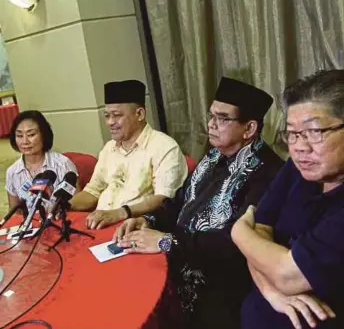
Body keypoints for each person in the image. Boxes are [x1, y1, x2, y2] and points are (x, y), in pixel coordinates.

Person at [115, 77, 284, 328]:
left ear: (249, 129)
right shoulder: (214, 156)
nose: (211, 124)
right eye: (211, 115)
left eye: (222, 118)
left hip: (222, 284)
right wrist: (147, 220)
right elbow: (180, 202)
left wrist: (166, 241)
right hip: (180, 256)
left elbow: (236, 244)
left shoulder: (268, 173)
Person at [231, 69, 344, 329]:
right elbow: (260, 230)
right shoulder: (298, 168)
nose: (299, 147)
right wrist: (274, 295)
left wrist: (238, 232)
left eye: (314, 132)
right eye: (292, 134)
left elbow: (289, 274)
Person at [69, 80, 188, 229]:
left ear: (139, 114)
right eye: (107, 116)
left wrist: (120, 213)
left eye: (117, 115)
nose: (110, 122)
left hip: (135, 228)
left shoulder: (164, 147)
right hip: (99, 225)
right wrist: (64, 205)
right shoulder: (109, 148)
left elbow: (164, 199)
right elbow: (93, 191)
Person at [6, 110, 79, 209]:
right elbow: (15, 212)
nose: (25, 141)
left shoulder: (63, 164)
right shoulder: (12, 172)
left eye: (31, 135)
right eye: (19, 136)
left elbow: (77, 204)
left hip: (60, 221)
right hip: (30, 224)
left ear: (43, 135)